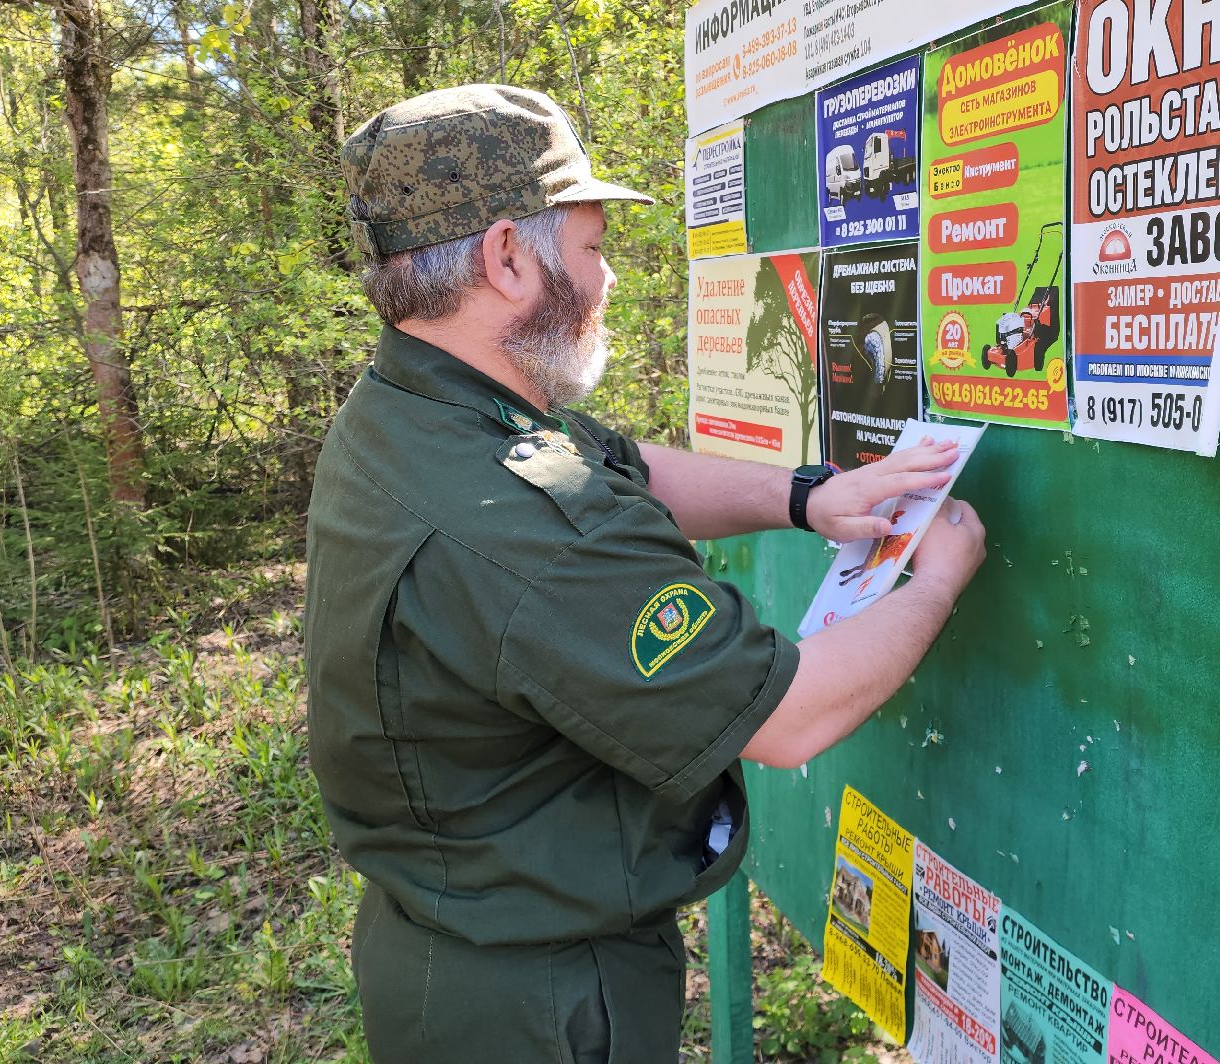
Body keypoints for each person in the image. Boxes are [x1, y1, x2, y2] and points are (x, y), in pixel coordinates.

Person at [304, 83, 986, 1063]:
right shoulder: (523, 534)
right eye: (590, 247)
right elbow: (789, 718)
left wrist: (805, 497)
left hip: (440, 939)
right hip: (540, 1005)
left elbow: (607, 458)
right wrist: (938, 576)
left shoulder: (412, 405)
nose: (610, 275)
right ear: (505, 258)